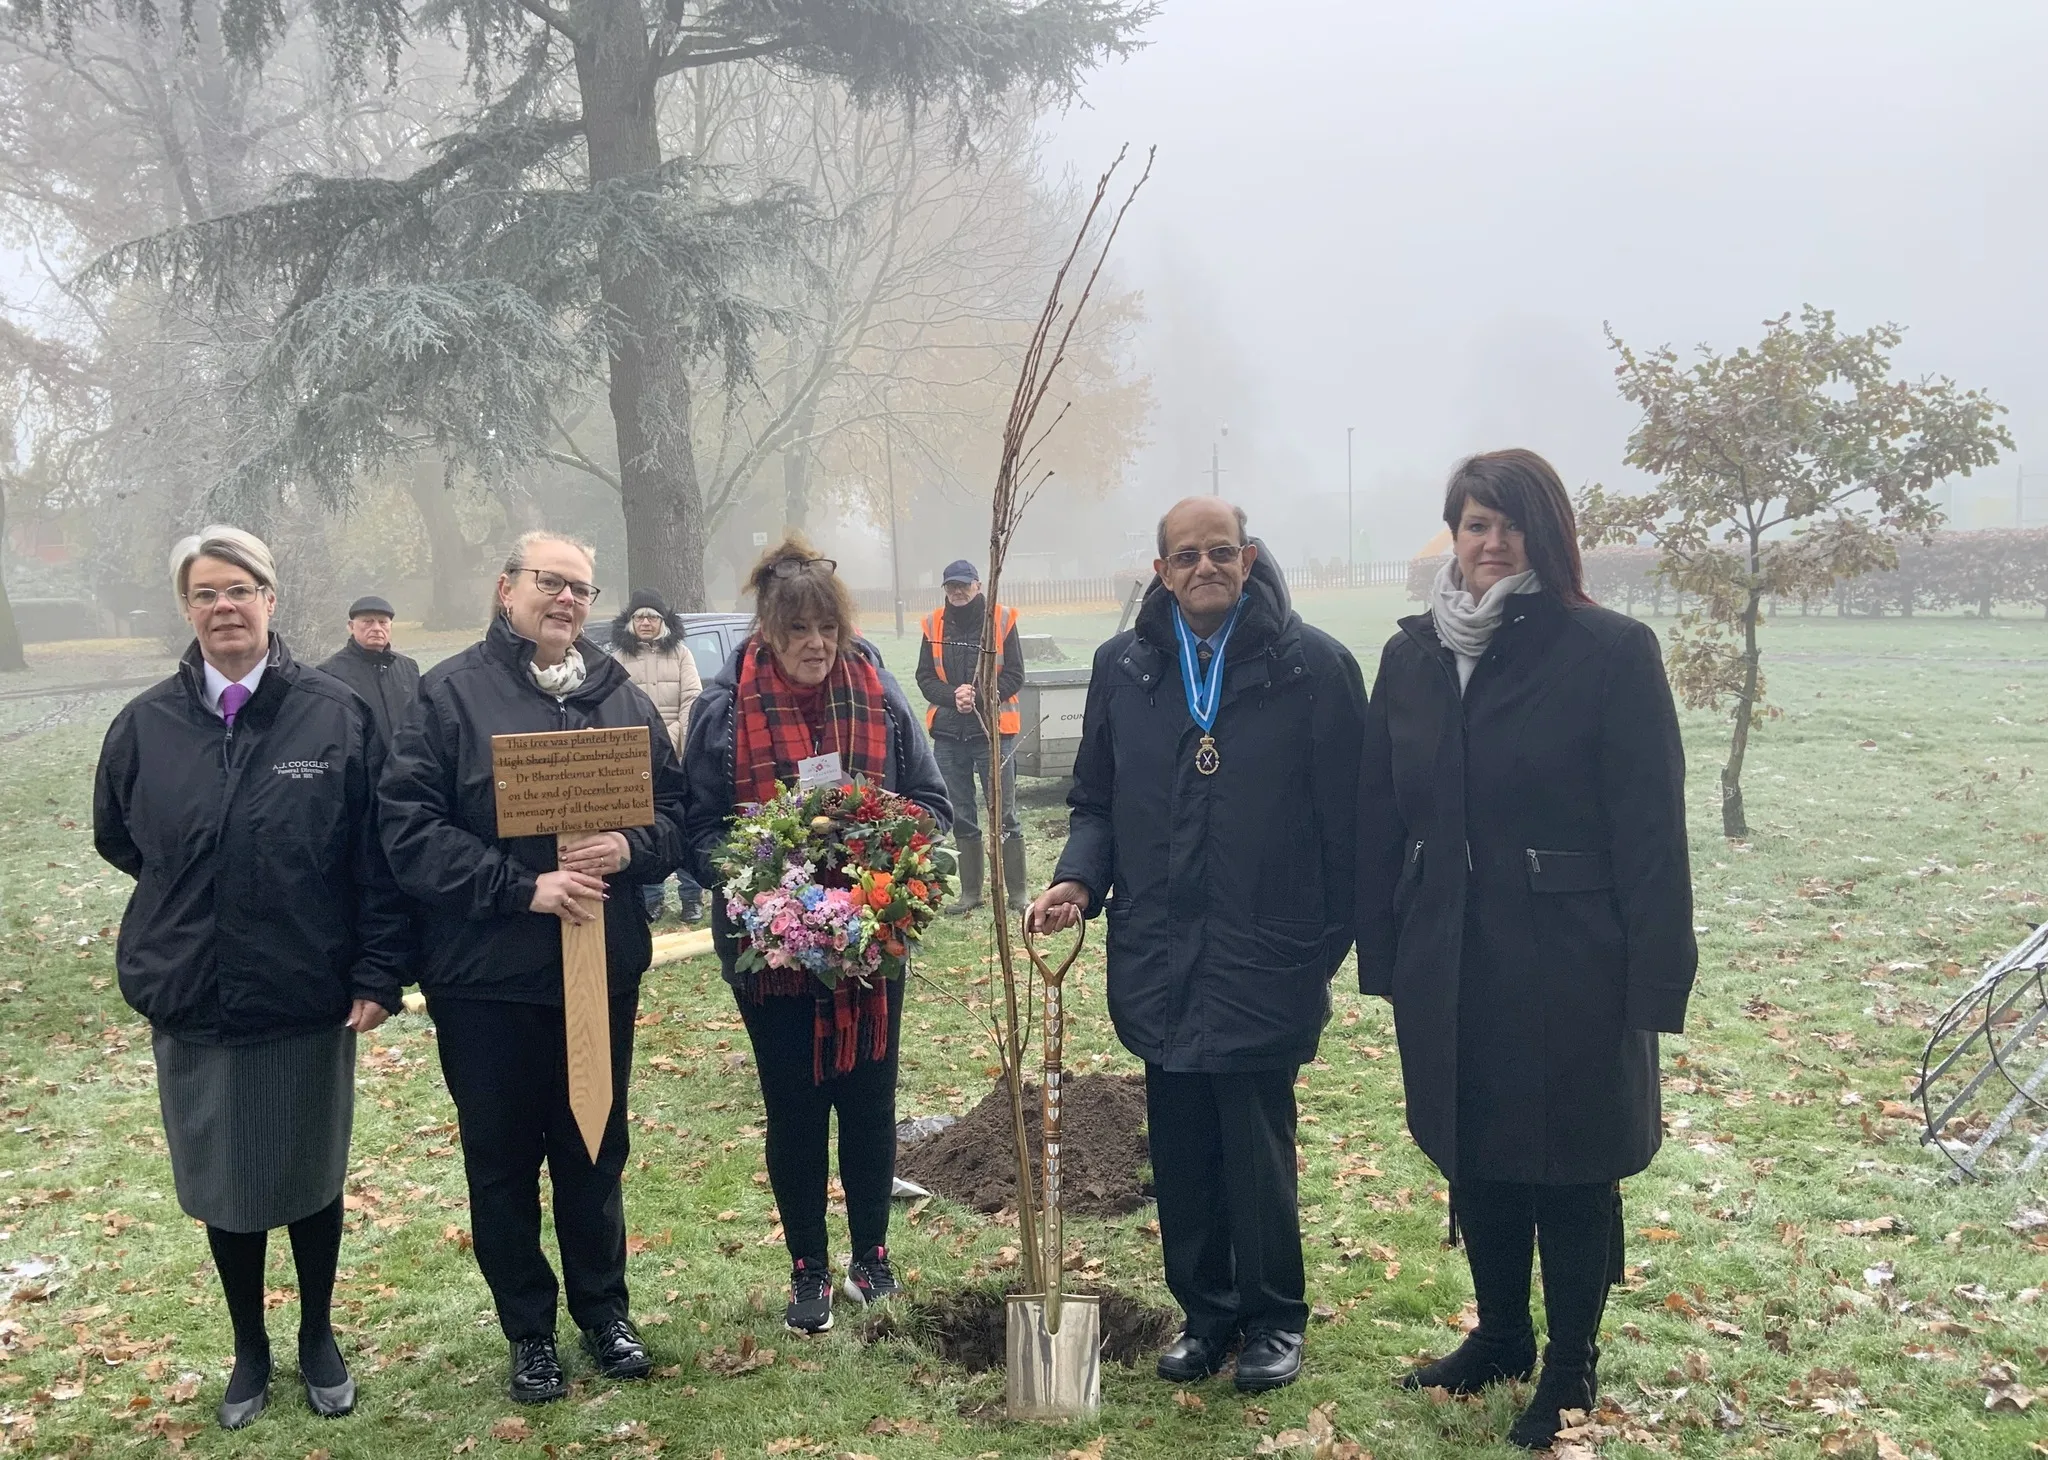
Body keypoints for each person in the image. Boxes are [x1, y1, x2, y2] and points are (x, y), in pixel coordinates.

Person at [1353, 450, 1697, 1450]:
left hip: (1570, 954)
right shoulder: (1411, 655)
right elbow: (1382, 811)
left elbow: (1648, 828)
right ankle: (1500, 1333)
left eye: (1506, 523)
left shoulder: (1606, 650)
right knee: (1478, 1148)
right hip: (1446, 950)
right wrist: (1383, 950)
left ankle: (1568, 1361)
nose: (1487, 542)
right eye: (1470, 522)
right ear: (1449, 536)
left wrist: (1654, 974)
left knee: (1570, 1162)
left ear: (1542, 535)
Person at [1027, 499, 1366, 1394]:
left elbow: (1351, 827)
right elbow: (1095, 800)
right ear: (1162, 569)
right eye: (1187, 555)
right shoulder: (1125, 667)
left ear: (1249, 560)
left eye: (1222, 552)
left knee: (1255, 1145)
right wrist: (1077, 880)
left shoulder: (1315, 668)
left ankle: (1272, 1320)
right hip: (1160, 952)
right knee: (1180, 1145)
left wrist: (1318, 948)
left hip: (1269, 950)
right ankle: (1206, 1314)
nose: (1205, 566)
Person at [92, 526, 408, 1431]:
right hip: (193, 991)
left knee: (308, 1173)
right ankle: (249, 1350)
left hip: (303, 988)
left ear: (271, 599)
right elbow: (122, 838)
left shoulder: (333, 714)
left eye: (240, 590)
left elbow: (375, 855)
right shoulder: (146, 725)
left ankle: (316, 1336)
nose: (224, 608)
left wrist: (378, 968)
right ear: (186, 609)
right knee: (223, 1182)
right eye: (206, 595)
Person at [379, 531, 688, 1404]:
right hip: (486, 979)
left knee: (595, 1145)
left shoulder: (618, 696)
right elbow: (408, 832)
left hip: (600, 970)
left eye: (583, 590)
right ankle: (529, 1332)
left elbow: (674, 815)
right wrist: (522, 887)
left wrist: (628, 848)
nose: (568, 601)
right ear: (506, 588)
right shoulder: (448, 698)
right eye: (551, 583)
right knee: (503, 1161)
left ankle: (604, 1312)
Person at [682, 538, 949, 1336]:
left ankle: (872, 1255)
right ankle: (809, 1268)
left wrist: (888, 851)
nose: (815, 644)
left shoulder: (880, 692)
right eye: (797, 628)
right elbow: (697, 830)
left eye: (826, 627)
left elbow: (931, 804)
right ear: (767, 629)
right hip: (772, 959)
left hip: (872, 943)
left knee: (869, 1103)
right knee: (794, 1110)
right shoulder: (726, 711)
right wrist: (759, 887)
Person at [914, 560, 1025, 915]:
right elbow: (924, 677)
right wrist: (953, 697)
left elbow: (1016, 675)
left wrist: (980, 696)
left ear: (978, 585)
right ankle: (971, 893)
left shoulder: (1001, 620)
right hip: (948, 736)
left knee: (1005, 815)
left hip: (992, 734)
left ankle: (1017, 894)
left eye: (963, 585)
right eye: (951, 586)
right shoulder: (932, 624)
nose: (957, 591)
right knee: (961, 814)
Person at [607, 589, 706, 921]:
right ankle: (652, 897)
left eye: (651, 616)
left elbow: (693, 699)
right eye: (639, 617)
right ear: (630, 621)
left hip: (677, 754)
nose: (645, 622)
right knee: (642, 825)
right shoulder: (618, 656)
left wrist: (668, 740)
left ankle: (691, 897)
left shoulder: (680, 653)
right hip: (634, 759)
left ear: (663, 621)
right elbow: (610, 704)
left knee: (683, 822)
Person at [318, 595, 421, 750]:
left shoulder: (408, 668)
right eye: (368, 622)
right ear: (351, 626)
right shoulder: (329, 673)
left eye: (383, 622)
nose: (377, 628)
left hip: (405, 768)